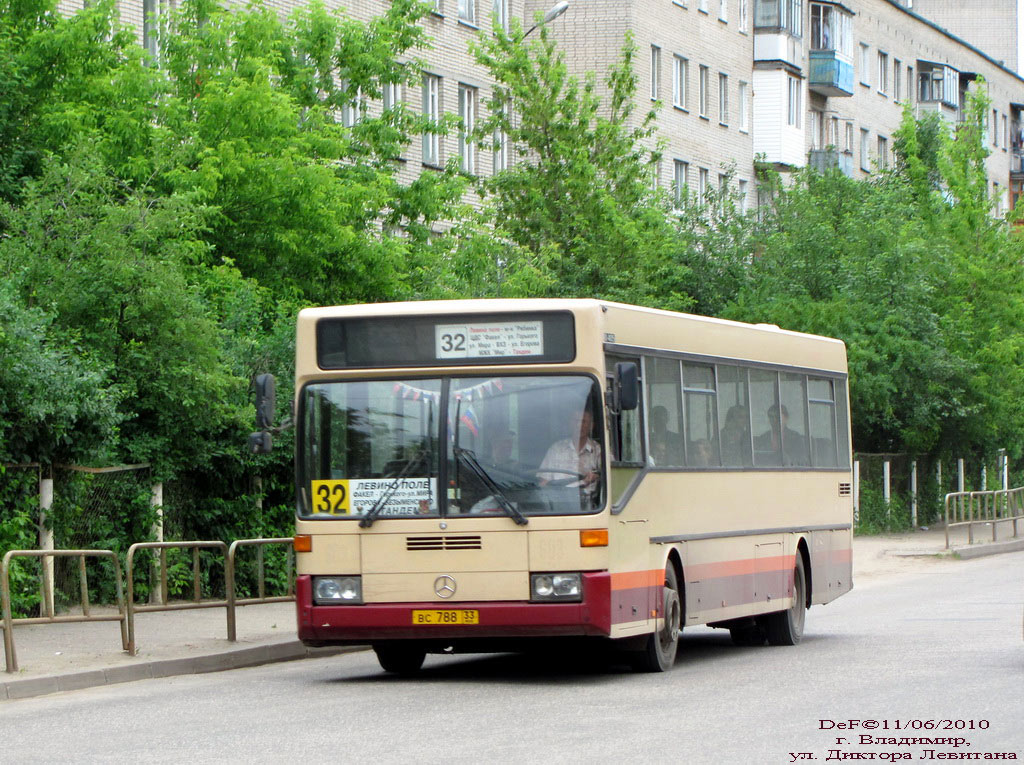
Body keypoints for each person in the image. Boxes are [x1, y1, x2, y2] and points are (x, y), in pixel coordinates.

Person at [538, 406, 602, 500]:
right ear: (569, 424)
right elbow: (543, 482)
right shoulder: (556, 449)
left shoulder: (597, 450)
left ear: (591, 426)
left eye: (583, 421)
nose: (579, 425)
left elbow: (611, 475)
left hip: (590, 506)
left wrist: (595, 476)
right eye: (575, 421)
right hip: (559, 504)